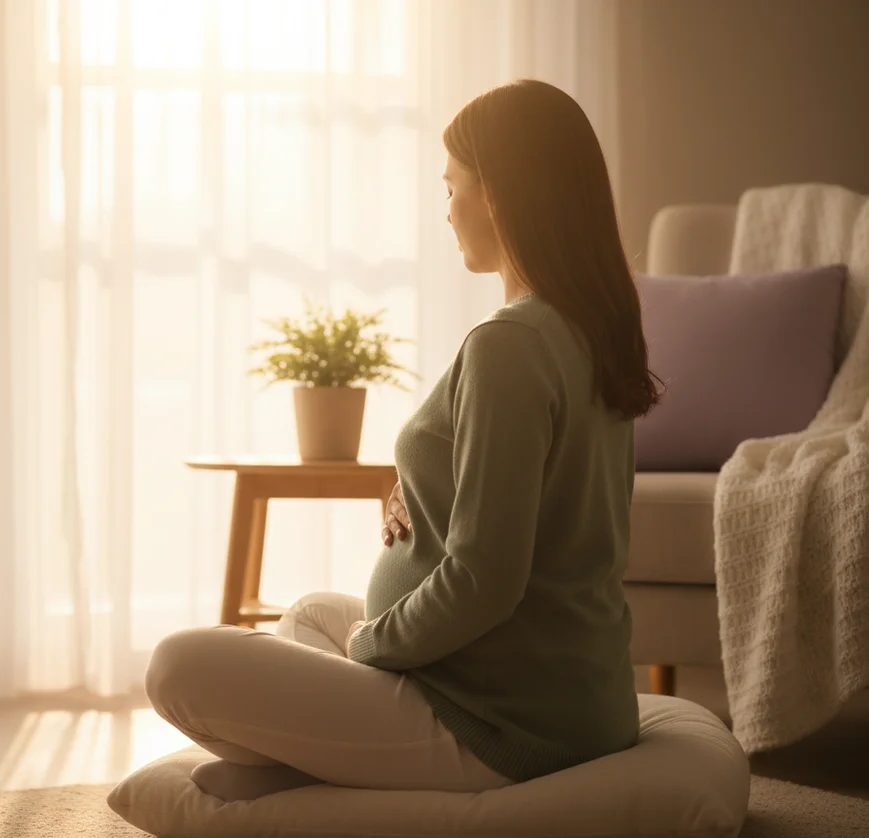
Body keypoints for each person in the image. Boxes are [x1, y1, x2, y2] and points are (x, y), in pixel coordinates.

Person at [142, 79, 663, 803]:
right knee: (312, 613)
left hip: (497, 719)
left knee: (177, 665)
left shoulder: (509, 347)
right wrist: (421, 484)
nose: (445, 212)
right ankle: (307, 762)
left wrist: (370, 650)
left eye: (452, 188)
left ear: (501, 195)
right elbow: (545, 499)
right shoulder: (582, 330)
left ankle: (307, 765)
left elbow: (484, 581)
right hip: (557, 691)